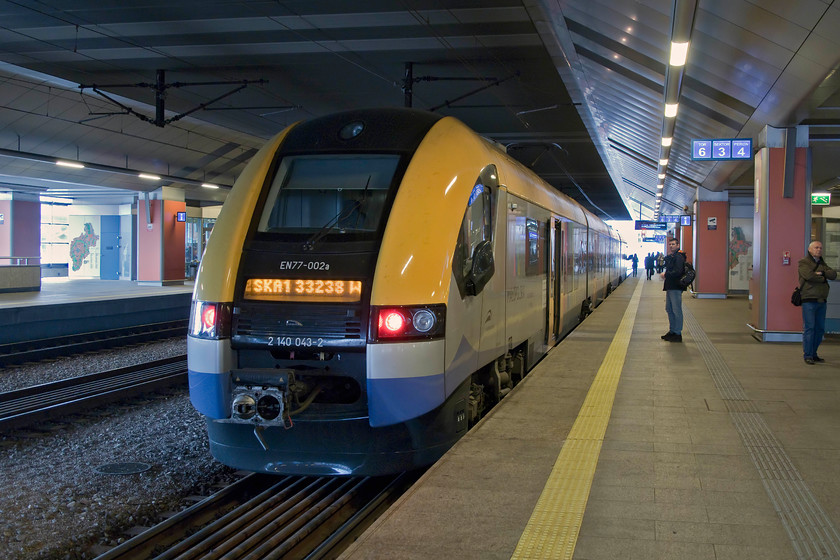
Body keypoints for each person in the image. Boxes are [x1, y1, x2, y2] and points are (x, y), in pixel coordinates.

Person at [798, 240, 836, 364]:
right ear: (810, 249)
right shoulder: (804, 262)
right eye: (816, 247)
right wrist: (823, 277)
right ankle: (808, 355)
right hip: (809, 300)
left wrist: (822, 273)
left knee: (819, 329)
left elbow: (833, 274)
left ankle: (814, 353)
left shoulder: (823, 263)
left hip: (822, 301)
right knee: (810, 328)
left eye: (820, 248)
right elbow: (809, 276)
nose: (819, 250)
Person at [660, 238, 687, 342]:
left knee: (676, 310)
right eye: (670, 244)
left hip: (676, 287)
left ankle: (677, 333)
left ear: (678, 245)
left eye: (673, 244)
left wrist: (666, 274)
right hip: (670, 287)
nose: (671, 246)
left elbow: (678, 272)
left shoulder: (679, 257)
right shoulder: (673, 257)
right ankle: (672, 331)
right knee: (669, 309)